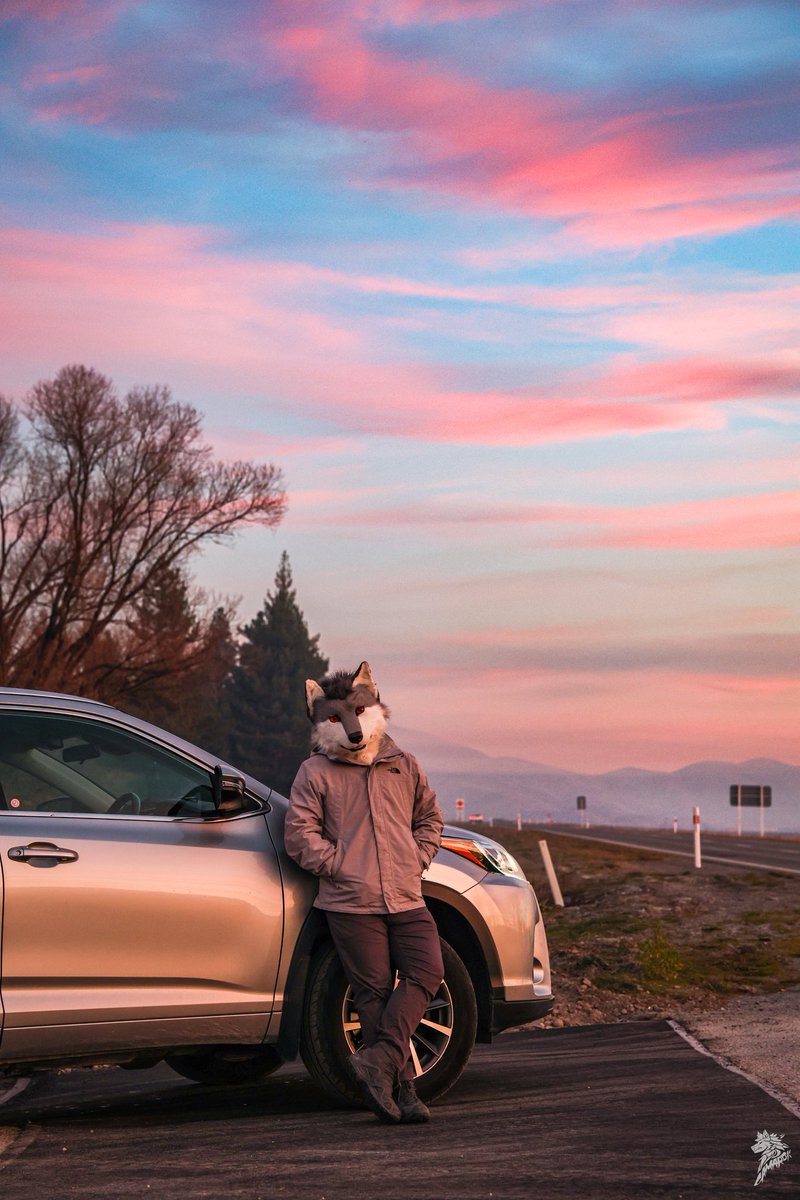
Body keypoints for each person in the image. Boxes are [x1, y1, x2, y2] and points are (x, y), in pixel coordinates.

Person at [284, 661, 444, 1124]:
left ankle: (377, 1061)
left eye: (358, 712)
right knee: (372, 994)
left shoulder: (403, 763)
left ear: (374, 705)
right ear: (320, 721)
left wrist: (417, 858)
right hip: (351, 903)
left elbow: (429, 818)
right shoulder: (314, 772)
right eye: (336, 718)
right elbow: (299, 834)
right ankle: (403, 1091)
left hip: (406, 895)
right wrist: (340, 867)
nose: (351, 727)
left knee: (428, 970)